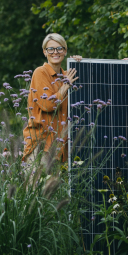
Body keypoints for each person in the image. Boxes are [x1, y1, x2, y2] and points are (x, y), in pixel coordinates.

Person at [22, 33, 81, 163]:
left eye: (59, 48)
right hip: (41, 147)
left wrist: (81, 65)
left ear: (65, 51)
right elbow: (48, 105)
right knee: (38, 183)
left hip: (63, 149)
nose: (55, 52)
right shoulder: (40, 72)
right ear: (44, 52)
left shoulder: (69, 75)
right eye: (50, 49)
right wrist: (65, 86)